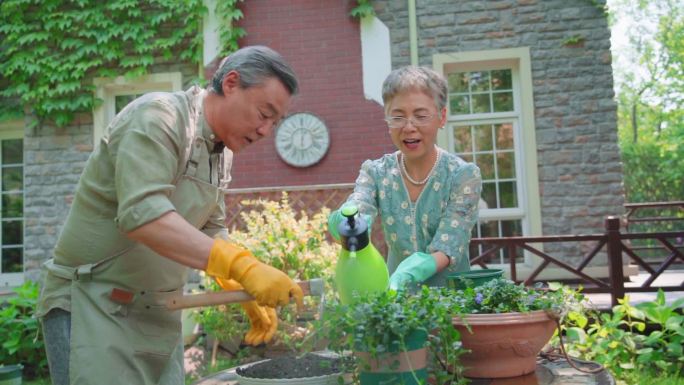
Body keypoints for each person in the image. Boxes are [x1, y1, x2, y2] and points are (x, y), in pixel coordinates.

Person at [36, 46, 304, 385]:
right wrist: (241, 266)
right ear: (232, 83)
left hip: (159, 314)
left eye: (275, 122)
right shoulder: (158, 116)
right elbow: (143, 215)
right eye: (264, 113)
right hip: (94, 305)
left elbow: (211, 227)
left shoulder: (221, 155)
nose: (266, 130)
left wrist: (237, 283)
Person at [328, 66, 482, 291]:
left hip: (454, 308)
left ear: (442, 117)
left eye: (420, 116)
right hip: (395, 302)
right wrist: (347, 221)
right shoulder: (376, 172)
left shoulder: (463, 176)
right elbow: (360, 204)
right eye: (398, 117)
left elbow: (451, 242)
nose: (409, 127)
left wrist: (417, 269)